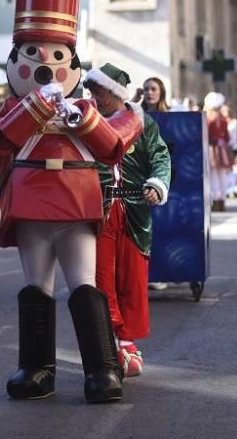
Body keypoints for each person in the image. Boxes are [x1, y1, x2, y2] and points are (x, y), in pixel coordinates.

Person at [0, 0, 142, 403]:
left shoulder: (86, 107)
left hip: (75, 197)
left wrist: (82, 117)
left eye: (57, 54)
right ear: (15, 60)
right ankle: (36, 368)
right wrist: (38, 106)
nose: (45, 64)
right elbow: (1, 138)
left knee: (84, 283)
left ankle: (101, 368)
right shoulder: (16, 108)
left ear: (74, 64)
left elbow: (114, 144)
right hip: (34, 196)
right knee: (36, 285)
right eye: (33, 53)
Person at [85, 63, 170, 378]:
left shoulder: (141, 122)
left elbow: (161, 156)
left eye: (101, 91)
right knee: (102, 278)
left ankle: (127, 337)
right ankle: (111, 338)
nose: (96, 97)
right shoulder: (87, 120)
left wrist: (157, 184)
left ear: (117, 93)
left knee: (132, 279)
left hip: (135, 209)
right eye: (92, 91)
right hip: (100, 209)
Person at [204, 92, 233, 212]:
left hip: (212, 149)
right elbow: (227, 137)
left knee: (214, 176)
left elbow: (207, 135)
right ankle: (222, 201)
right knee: (222, 176)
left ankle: (216, 201)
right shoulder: (223, 119)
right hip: (223, 149)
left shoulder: (209, 119)